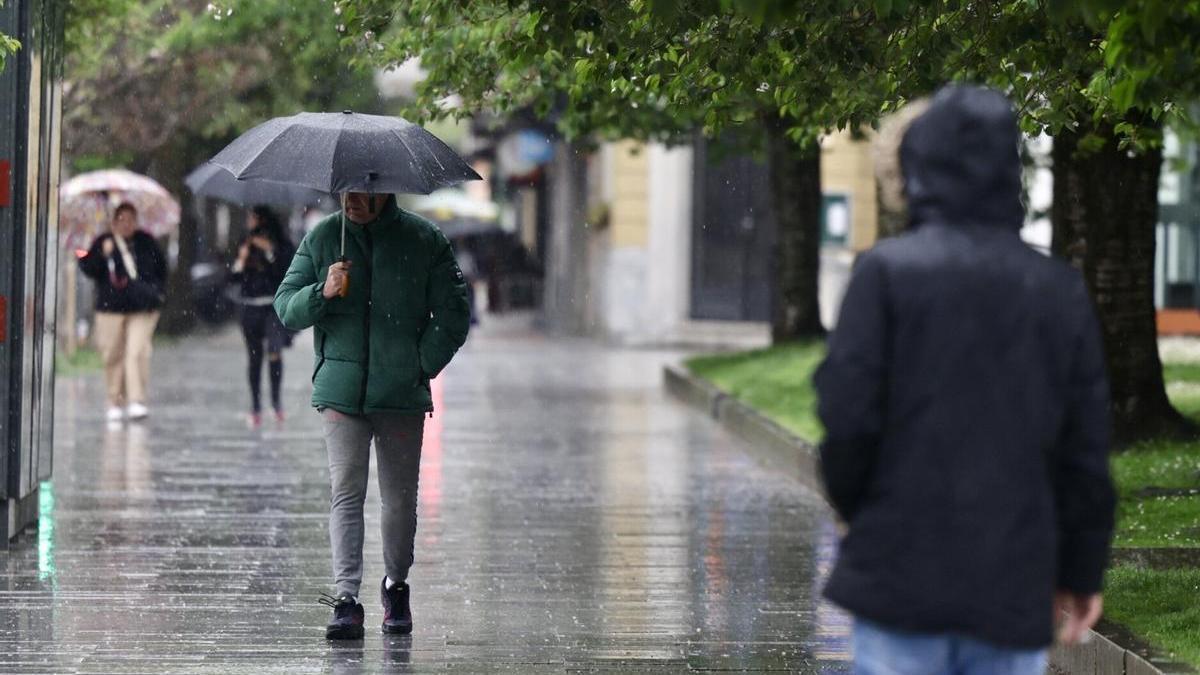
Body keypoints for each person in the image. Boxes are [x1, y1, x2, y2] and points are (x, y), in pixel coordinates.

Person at [813, 85, 1116, 674]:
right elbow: (1084, 448)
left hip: (899, 571)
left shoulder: (885, 274)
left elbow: (847, 416)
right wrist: (1081, 571)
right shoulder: (1056, 290)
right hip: (1011, 582)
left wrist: (860, 511)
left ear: (916, 165)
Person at [275, 191, 470, 640]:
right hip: (341, 393)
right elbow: (285, 307)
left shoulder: (423, 240)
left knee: (399, 499)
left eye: (364, 191)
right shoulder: (324, 237)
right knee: (346, 492)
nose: (353, 199)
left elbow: (455, 312)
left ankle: (396, 585)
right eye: (346, 190)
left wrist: (420, 364)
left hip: (400, 393)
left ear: (385, 190)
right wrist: (321, 292)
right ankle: (345, 599)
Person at [77, 202, 168, 423]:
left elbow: (161, 270)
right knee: (112, 354)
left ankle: (137, 399)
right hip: (110, 308)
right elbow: (88, 268)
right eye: (122, 219)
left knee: (136, 352)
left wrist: (155, 291)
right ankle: (115, 400)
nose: (126, 224)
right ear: (114, 221)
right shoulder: (103, 241)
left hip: (142, 307)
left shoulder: (146, 242)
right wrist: (102, 254)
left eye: (131, 219)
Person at [230, 205, 296, 427]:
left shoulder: (282, 244)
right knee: (254, 356)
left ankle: (276, 403)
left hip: (273, 308)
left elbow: (286, 271)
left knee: (274, 351)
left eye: (252, 217)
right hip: (250, 308)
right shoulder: (245, 242)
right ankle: (256, 406)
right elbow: (234, 278)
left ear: (262, 219)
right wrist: (241, 260)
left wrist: (270, 251)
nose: (249, 220)